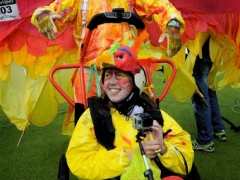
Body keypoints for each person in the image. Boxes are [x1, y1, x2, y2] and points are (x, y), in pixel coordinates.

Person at [65, 46, 194, 179]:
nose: (112, 82)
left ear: (136, 82)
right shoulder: (93, 117)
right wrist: (131, 155)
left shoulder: (153, 113)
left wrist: (163, 148)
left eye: (120, 75)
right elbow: (79, 162)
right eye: (108, 75)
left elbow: (186, 161)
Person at [191, 36, 227, 153]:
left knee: (200, 96)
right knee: (210, 92)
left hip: (202, 53)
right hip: (214, 51)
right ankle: (218, 129)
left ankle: (205, 140)